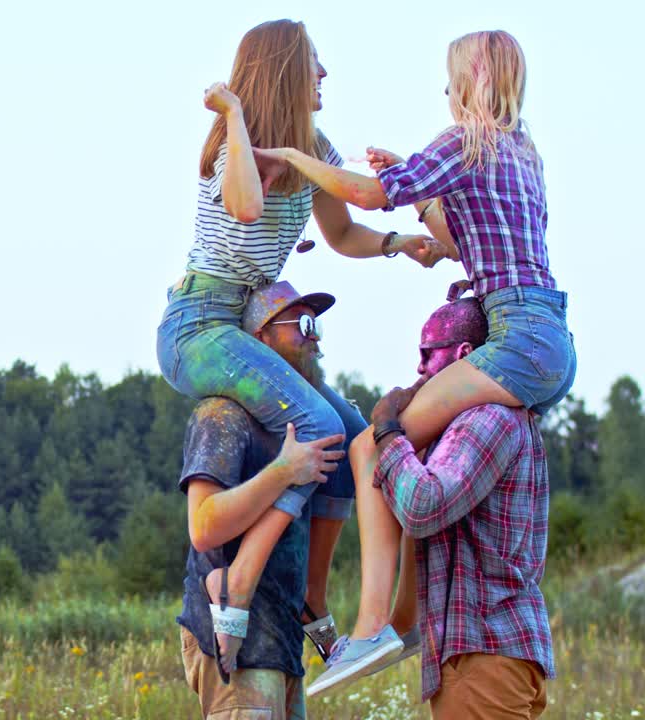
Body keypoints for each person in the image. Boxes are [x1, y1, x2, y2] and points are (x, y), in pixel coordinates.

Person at [262, 30, 576, 690]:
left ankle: (374, 629)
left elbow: (371, 196)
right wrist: (417, 179)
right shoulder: (525, 152)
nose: (444, 90)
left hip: (513, 338)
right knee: (426, 450)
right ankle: (404, 624)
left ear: (473, 77)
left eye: (451, 76)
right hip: (550, 338)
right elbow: (457, 236)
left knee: (375, 445)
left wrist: (299, 156)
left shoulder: (463, 138)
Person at [158, 18, 437, 678]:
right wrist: (232, 115)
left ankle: (313, 600)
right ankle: (240, 581)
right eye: (313, 64)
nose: (323, 76)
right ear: (284, 70)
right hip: (201, 325)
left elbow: (340, 232)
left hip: (242, 325)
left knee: (344, 436)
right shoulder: (234, 145)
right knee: (312, 424)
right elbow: (249, 208)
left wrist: (399, 244)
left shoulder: (317, 146)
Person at [342, 297, 555, 717]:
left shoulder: (487, 417)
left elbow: (423, 506)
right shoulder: (487, 418)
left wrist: (386, 432)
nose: (420, 368)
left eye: (427, 354)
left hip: (485, 655)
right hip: (492, 653)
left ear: (464, 356)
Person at [178, 280, 351, 719]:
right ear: (259, 341)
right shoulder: (223, 414)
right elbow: (203, 528)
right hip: (237, 645)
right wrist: (284, 471)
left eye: (318, 328)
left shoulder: (298, 423)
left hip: (280, 639)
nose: (315, 338)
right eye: (302, 324)